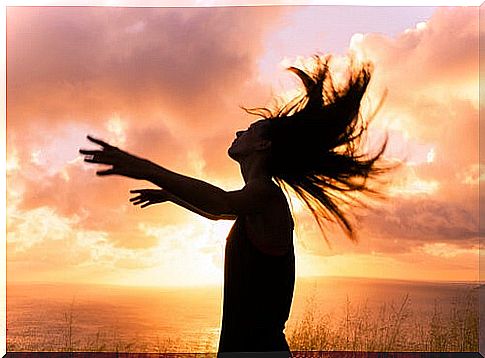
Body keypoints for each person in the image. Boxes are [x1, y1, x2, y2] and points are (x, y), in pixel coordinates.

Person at [79, 55, 388, 356]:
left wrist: (150, 170)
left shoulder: (267, 194)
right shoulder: (256, 201)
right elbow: (221, 211)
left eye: (250, 131)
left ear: (263, 145)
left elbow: (221, 203)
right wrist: (173, 196)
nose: (240, 132)